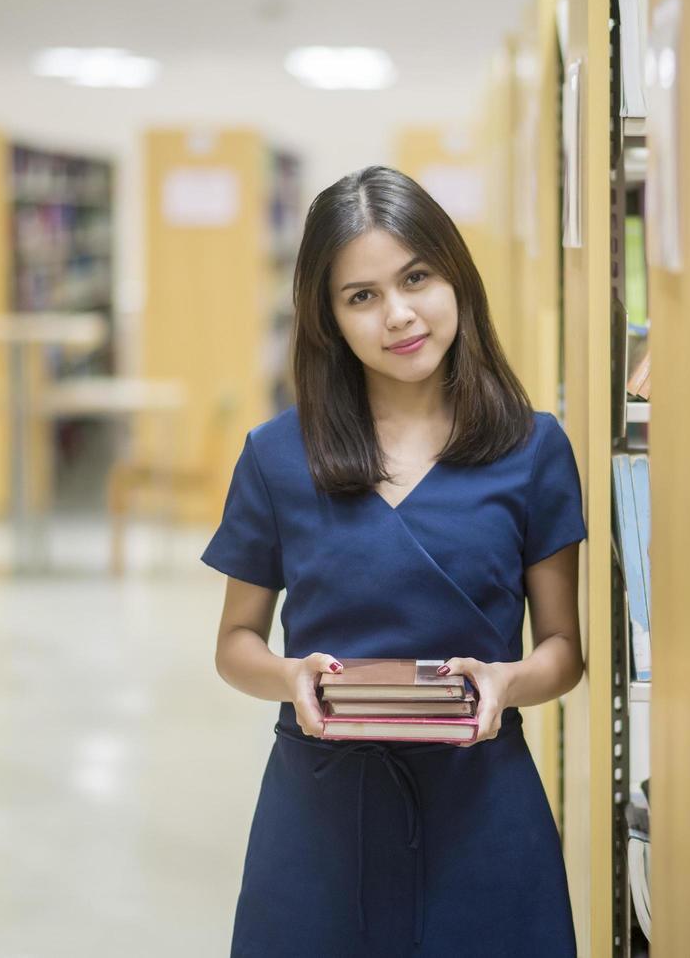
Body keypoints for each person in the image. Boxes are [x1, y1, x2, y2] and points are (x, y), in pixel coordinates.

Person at [203, 165, 586, 957]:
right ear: (328, 319)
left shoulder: (533, 447)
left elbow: (563, 651)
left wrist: (507, 682)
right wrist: (289, 678)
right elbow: (235, 643)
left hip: (485, 807)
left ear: (456, 277)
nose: (399, 315)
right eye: (362, 295)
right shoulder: (278, 456)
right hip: (318, 815)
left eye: (416, 277)